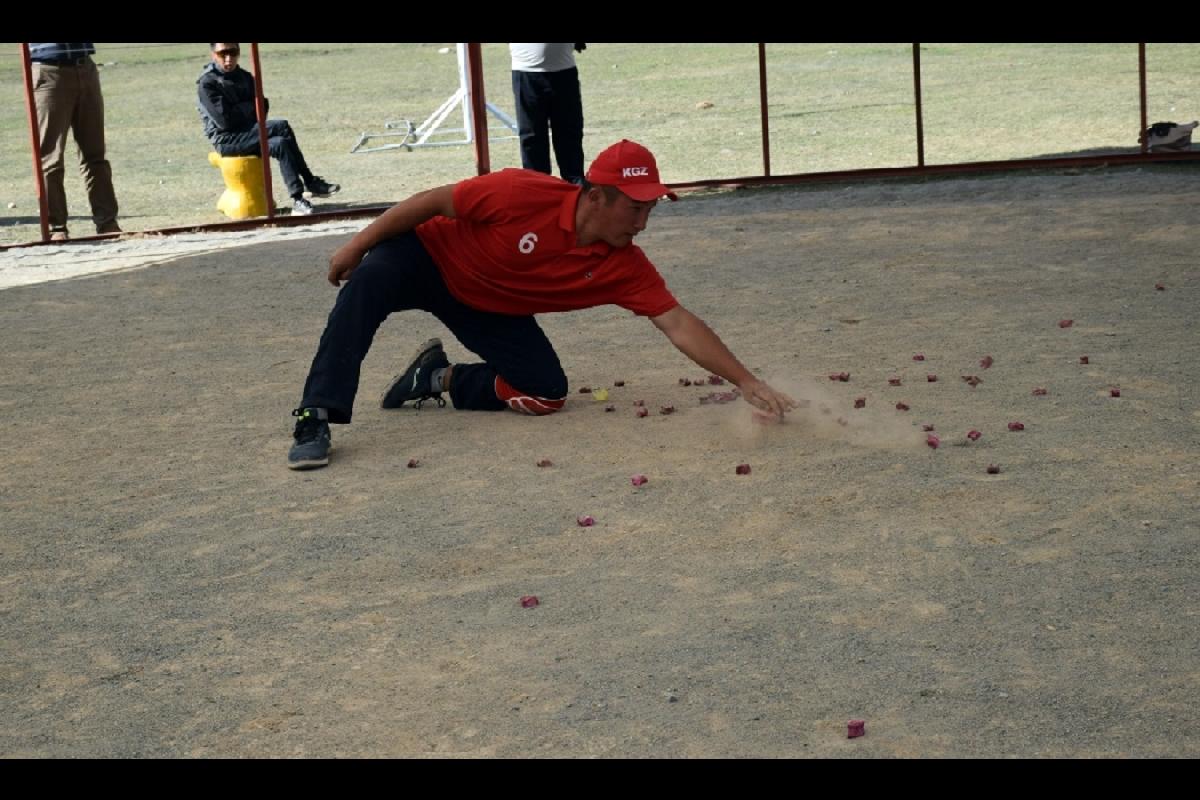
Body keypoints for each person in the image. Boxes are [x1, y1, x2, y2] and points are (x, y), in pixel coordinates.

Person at [287, 139, 796, 470]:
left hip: (486, 303)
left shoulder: (624, 263)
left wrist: (747, 381)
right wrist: (357, 245)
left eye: (651, 210)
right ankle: (316, 415)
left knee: (546, 393)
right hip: (426, 255)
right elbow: (432, 202)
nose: (642, 223)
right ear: (596, 198)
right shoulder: (519, 192)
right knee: (366, 286)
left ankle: (436, 378)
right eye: (635, 208)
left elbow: (678, 323)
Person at [197, 42, 340, 216]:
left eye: (233, 52)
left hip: (249, 132)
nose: (229, 58)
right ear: (214, 55)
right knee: (281, 126)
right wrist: (248, 107)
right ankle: (310, 181)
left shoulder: (245, 77)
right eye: (223, 54)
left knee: (280, 143)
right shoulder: (207, 83)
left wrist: (240, 109)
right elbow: (225, 122)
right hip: (227, 140)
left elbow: (262, 108)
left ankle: (297, 199)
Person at [28, 42, 121, 242]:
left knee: (95, 154)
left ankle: (107, 223)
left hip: (85, 66)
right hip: (48, 69)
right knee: (51, 156)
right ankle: (56, 227)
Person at [509, 43, 587, 185]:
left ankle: (576, 193)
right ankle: (538, 192)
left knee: (569, 136)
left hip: (564, 71)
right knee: (532, 138)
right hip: (526, 71)